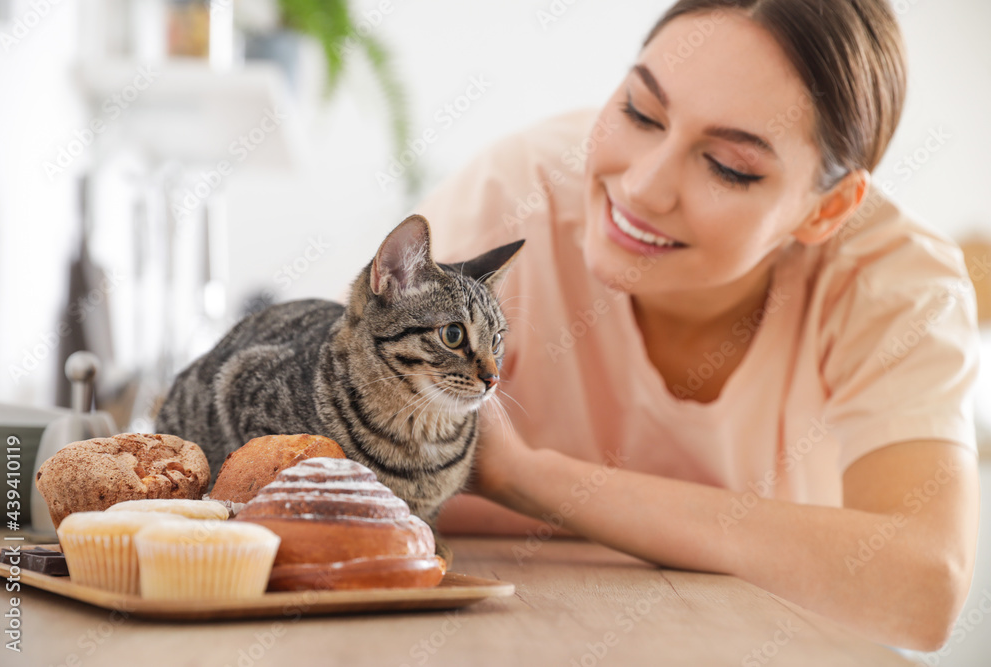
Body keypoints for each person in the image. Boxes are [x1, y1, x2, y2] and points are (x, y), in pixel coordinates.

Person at [416, 0, 980, 653]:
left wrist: (520, 474)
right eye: (640, 112)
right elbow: (320, 448)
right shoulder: (514, 196)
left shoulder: (895, 281)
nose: (643, 187)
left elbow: (921, 587)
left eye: (729, 166)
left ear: (828, 210)